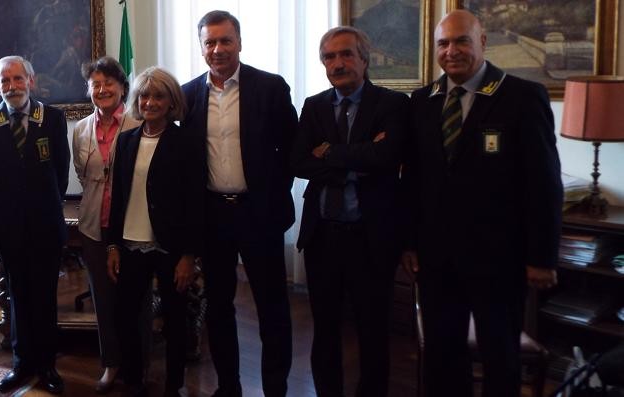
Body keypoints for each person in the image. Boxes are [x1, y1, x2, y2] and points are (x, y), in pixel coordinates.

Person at [401, 10, 562, 397]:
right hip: (437, 260)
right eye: (443, 43)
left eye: (461, 41)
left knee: (499, 356)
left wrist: (542, 257)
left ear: (483, 42)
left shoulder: (523, 97)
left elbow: (543, 183)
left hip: (499, 261)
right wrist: (408, 242)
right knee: (442, 355)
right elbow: (414, 180)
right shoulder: (422, 101)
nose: (451, 51)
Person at [180, 10, 297, 397]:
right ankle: (228, 386)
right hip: (213, 216)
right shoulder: (188, 94)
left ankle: (276, 388)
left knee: (272, 310)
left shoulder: (270, 88)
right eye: (209, 42)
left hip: (258, 214)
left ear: (240, 42)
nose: (217, 49)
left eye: (225, 40)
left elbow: (291, 152)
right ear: (201, 48)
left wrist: (269, 196)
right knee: (219, 309)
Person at [293, 26, 410, 397]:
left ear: (364, 59)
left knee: (373, 329)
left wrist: (328, 151)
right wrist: (359, 161)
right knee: (324, 328)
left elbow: (387, 158)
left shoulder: (393, 105)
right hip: (323, 236)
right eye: (329, 57)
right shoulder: (314, 105)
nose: (337, 63)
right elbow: (299, 163)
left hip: (370, 238)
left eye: (346, 54)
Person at [0, 55, 70, 394]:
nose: (11, 87)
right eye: (4, 81)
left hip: (45, 226)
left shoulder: (52, 118)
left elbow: (60, 170)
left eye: (17, 79)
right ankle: (21, 364)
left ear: (30, 79)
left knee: (45, 298)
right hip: (9, 227)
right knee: (17, 298)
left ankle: (48, 365)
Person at [106, 66, 204, 397]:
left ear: (171, 100)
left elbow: (195, 201)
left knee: (175, 321)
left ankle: (174, 384)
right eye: (144, 95)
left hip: (170, 247)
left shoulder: (185, 142)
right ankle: (134, 379)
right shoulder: (127, 139)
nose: (150, 102)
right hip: (130, 243)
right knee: (126, 317)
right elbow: (117, 195)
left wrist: (189, 254)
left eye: (158, 95)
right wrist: (113, 246)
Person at [72, 56, 141, 393]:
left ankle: (136, 364)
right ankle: (111, 364)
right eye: (95, 84)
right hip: (92, 226)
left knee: (135, 297)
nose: (102, 89)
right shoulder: (81, 129)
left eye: (108, 83)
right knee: (103, 298)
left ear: (122, 87)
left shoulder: (137, 123)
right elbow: (84, 175)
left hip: (132, 224)